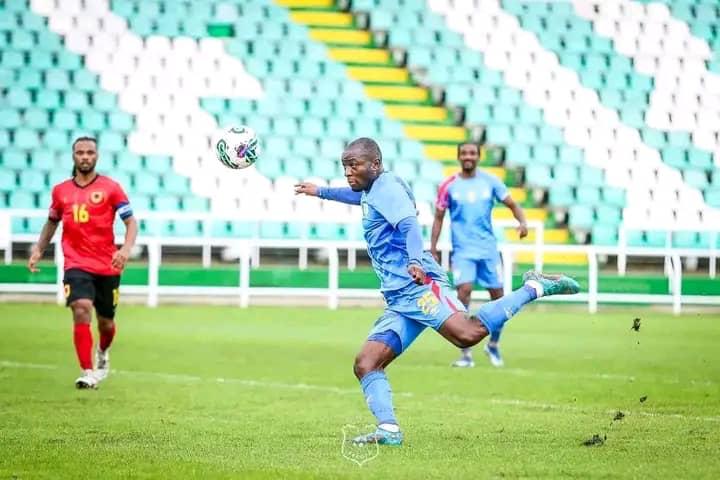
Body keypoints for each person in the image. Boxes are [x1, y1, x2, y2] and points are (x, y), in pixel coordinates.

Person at [295, 137, 579, 445]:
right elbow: (358, 198)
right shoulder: (373, 190)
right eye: (345, 166)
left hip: (419, 285)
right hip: (400, 298)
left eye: (354, 165)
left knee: (467, 334)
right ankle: (389, 430)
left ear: (374, 164)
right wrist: (320, 191)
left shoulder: (388, 188)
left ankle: (534, 287)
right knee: (366, 364)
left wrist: (416, 261)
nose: (348, 172)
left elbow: (409, 227)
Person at [28, 137, 137, 389]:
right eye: (80, 152)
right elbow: (52, 221)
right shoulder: (61, 191)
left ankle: (102, 351)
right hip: (75, 263)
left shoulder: (112, 188)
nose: (85, 156)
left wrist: (126, 249)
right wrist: (39, 249)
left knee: (106, 323)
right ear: (73, 156)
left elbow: (131, 222)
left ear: (96, 156)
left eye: (90, 152)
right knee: (80, 307)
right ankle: (87, 371)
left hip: (107, 265)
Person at [430, 142, 528, 368]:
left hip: (488, 251)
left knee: (499, 299)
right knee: (463, 294)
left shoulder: (490, 181)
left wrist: (522, 222)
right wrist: (433, 248)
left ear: (478, 157)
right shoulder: (449, 185)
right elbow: (438, 217)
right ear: (458, 157)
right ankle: (465, 352)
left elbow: (512, 204)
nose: (468, 156)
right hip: (463, 251)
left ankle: (493, 344)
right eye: (464, 153)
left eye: (472, 153)